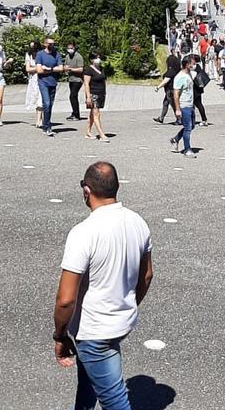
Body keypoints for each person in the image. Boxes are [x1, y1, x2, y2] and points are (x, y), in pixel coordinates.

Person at [53, 161, 153, 410]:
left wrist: (60, 335)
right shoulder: (138, 222)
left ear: (86, 191)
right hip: (121, 322)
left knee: (116, 402)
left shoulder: (83, 232)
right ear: (116, 187)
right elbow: (147, 276)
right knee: (88, 380)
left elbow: (66, 299)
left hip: (94, 330)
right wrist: (125, 303)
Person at [35, 37, 65, 137]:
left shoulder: (56, 54)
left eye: (53, 43)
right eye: (50, 43)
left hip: (53, 82)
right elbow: (39, 70)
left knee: (50, 105)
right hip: (43, 82)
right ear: (45, 44)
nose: (52, 45)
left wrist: (49, 69)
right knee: (46, 103)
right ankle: (47, 126)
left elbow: (61, 68)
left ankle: (46, 124)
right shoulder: (40, 54)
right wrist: (50, 69)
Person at [169, 57, 197, 158]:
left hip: (191, 104)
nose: (194, 65)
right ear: (187, 64)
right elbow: (175, 94)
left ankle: (175, 139)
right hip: (184, 105)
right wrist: (177, 109)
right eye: (192, 63)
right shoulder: (180, 77)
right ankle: (187, 149)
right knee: (188, 128)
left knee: (191, 126)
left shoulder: (189, 74)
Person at [82, 53, 109, 142]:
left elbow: (104, 80)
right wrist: (88, 97)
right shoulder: (88, 70)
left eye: (99, 57)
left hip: (101, 93)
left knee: (92, 114)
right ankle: (102, 134)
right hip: (93, 94)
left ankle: (88, 132)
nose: (98, 59)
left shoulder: (101, 69)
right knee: (96, 114)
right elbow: (86, 84)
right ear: (91, 60)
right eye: (96, 58)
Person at [153, 53, 181, 124]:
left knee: (174, 106)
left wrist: (158, 87)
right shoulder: (178, 70)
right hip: (172, 90)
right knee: (165, 103)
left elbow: (166, 81)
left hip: (170, 91)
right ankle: (161, 118)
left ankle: (179, 119)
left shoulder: (171, 71)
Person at [63, 43, 84, 121]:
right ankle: (74, 113)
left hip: (78, 79)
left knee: (73, 96)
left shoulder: (78, 57)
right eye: (68, 48)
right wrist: (65, 68)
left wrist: (70, 69)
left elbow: (81, 69)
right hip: (71, 79)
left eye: (71, 48)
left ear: (74, 48)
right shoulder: (67, 56)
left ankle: (76, 114)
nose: (70, 50)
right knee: (73, 97)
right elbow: (65, 66)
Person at [24, 41, 43, 127]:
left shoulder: (42, 55)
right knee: (35, 98)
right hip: (33, 79)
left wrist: (35, 68)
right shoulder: (29, 55)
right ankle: (38, 118)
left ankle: (39, 119)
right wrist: (38, 68)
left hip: (42, 78)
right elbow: (27, 69)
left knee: (41, 99)